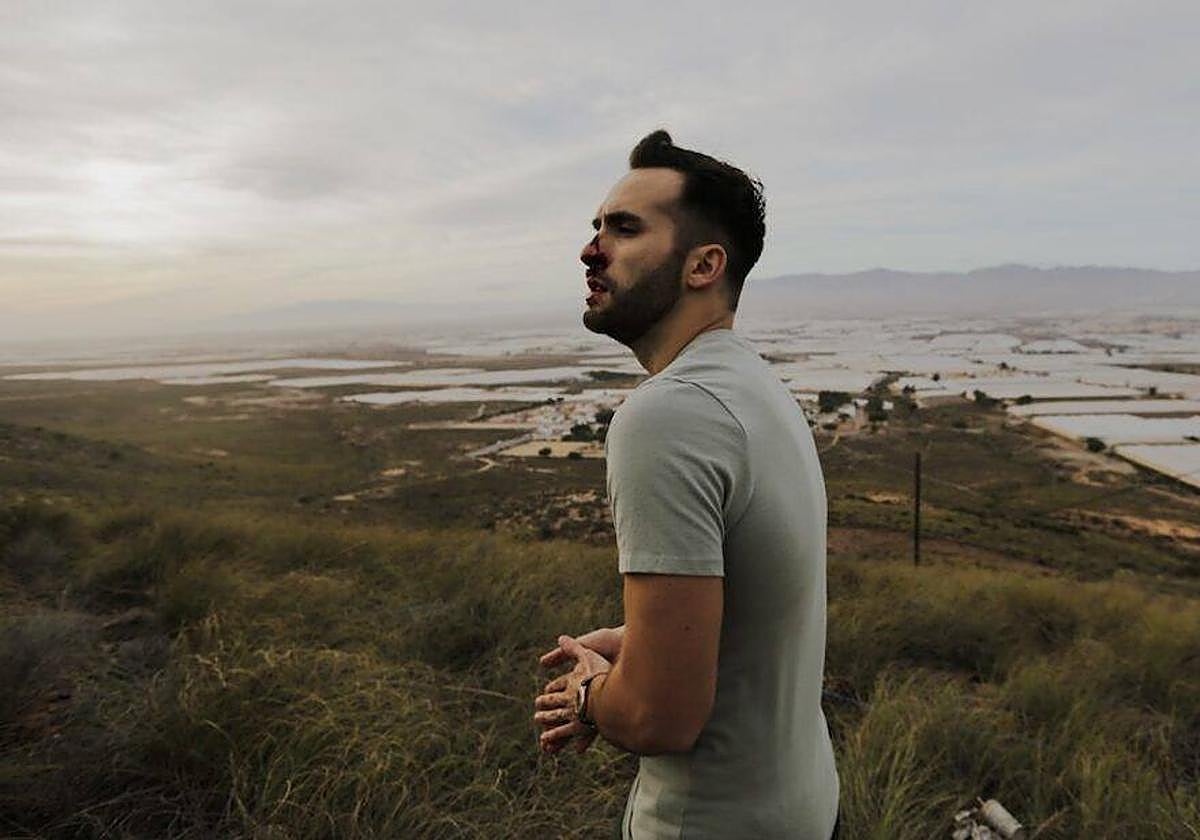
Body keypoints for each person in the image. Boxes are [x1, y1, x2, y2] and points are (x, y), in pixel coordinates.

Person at [532, 130, 840, 840]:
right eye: (597, 227)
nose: (591, 249)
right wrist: (646, 641)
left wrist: (588, 693)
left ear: (704, 265)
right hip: (802, 805)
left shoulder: (668, 415)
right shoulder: (756, 389)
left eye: (625, 229)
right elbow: (761, 607)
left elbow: (657, 716)